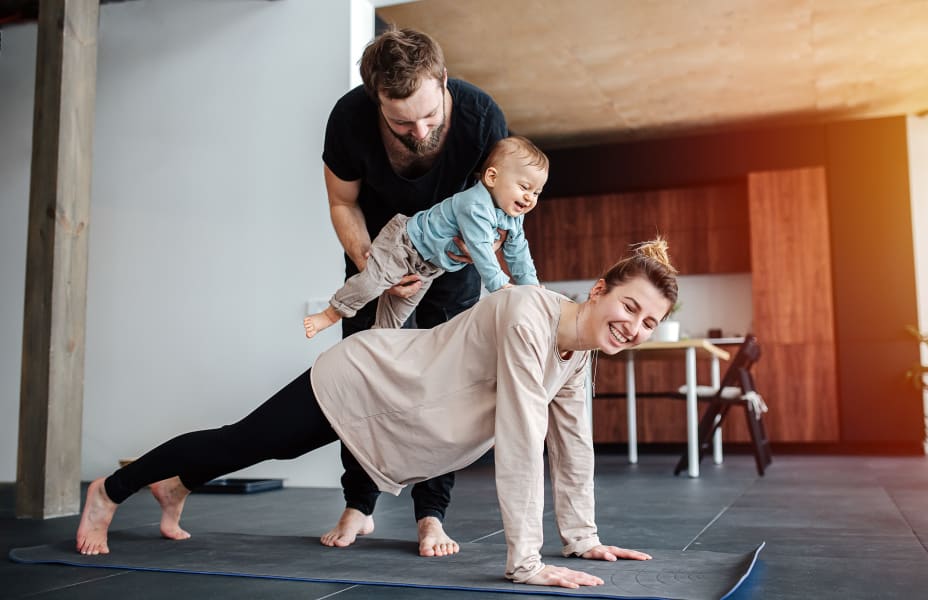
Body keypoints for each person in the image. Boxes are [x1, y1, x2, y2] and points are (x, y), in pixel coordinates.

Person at [76, 239, 680, 589]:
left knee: (264, 447)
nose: (635, 327)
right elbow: (522, 440)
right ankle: (111, 489)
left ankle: (176, 485)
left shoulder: (577, 358)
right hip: (368, 378)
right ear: (599, 289)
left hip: (403, 411)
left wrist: (583, 540)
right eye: (630, 306)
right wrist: (525, 562)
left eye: (649, 323)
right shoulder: (529, 313)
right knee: (250, 443)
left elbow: (573, 449)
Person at [321, 26, 508, 556]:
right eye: (401, 121)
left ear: (443, 81)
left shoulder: (480, 117)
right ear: (375, 98)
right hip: (378, 264)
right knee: (362, 381)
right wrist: (371, 262)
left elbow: (500, 213)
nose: (419, 130)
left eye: (430, 115)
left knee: (443, 390)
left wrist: (452, 259)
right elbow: (342, 203)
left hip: (453, 271)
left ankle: (431, 515)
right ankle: (359, 504)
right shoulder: (350, 118)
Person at [304, 135, 546, 338]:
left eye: (537, 192)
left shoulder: (512, 218)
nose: (530, 198)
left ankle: (374, 343)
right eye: (524, 187)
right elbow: (480, 248)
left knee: (396, 317)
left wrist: (532, 289)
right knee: (372, 283)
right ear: (492, 177)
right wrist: (500, 285)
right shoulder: (473, 205)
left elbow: (519, 253)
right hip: (403, 244)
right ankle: (330, 314)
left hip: (427, 267)